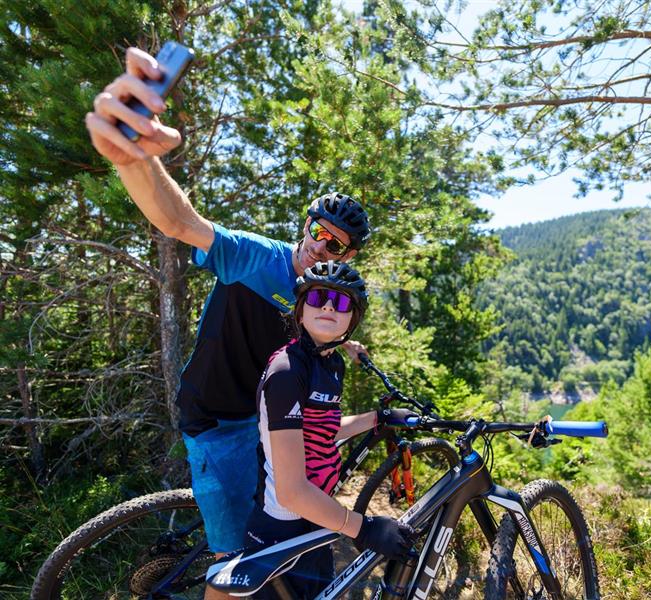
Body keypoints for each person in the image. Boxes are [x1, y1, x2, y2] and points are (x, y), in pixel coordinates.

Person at [85, 47, 372, 598]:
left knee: (270, 534)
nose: (320, 245)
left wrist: (348, 347)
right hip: (217, 418)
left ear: (348, 256)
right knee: (234, 565)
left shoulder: (320, 303)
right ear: (306, 224)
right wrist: (131, 160)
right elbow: (178, 220)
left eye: (337, 243)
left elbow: (308, 335)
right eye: (318, 229)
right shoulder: (255, 257)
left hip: (261, 421)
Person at [248, 260, 415, 598]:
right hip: (284, 526)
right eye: (318, 298)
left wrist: (375, 418)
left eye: (340, 302)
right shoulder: (287, 372)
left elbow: (319, 431)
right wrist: (363, 528)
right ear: (300, 309)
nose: (327, 305)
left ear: (353, 318)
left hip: (318, 514)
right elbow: (291, 491)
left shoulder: (331, 362)